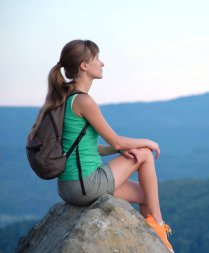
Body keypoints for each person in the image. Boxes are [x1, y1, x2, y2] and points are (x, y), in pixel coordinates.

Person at [33, 39, 174, 252]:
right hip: (85, 184)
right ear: (83, 65)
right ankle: (160, 227)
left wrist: (120, 150)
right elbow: (115, 140)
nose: (102, 63)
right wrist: (147, 142)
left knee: (147, 195)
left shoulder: (67, 98)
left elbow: (88, 147)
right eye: (97, 58)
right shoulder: (83, 101)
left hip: (69, 186)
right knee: (145, 154)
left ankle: (153, 239)